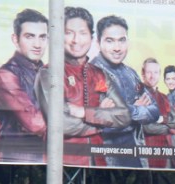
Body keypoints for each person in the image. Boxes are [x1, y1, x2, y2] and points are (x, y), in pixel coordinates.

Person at [35, 6, 131, 168]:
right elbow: (59, 123)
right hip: (62, 163)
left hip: (98, 161)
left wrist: (83, 112)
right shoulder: (48, 73)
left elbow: (124, 116)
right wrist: (102, 119)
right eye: (69, 33)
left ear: (92, 38)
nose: (76, 40)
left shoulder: (100, 74)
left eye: (82, 33)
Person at [92, 14, 163, 168]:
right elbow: (99, 121)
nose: (117, 48)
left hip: (137, 155)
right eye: (110, 41)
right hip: (105, 159)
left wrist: (124, 111)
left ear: (127, 42)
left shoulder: (131, 73)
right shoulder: (90, 72)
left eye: (122, 40)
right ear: (98, 43)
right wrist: (137, 109)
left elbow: (155, 111)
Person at [0, 7, 49, 161]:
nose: (37, 44)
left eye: (43, 37)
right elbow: (35, 124)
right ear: (15, 39)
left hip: (50, 156)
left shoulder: (47, 71)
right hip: (20, 158)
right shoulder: (5, 75)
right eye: (30, 37)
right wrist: (78, 116)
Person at [140, 58, 175, 168]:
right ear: (142, 74)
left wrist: (162, 119)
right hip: (146, 151)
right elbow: (146, 127)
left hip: (166, 151)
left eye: (155, 72)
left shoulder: (164, 97)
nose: (152, 76)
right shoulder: (138, 95)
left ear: (159, 75)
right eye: (149, 72)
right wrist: (169, 128)